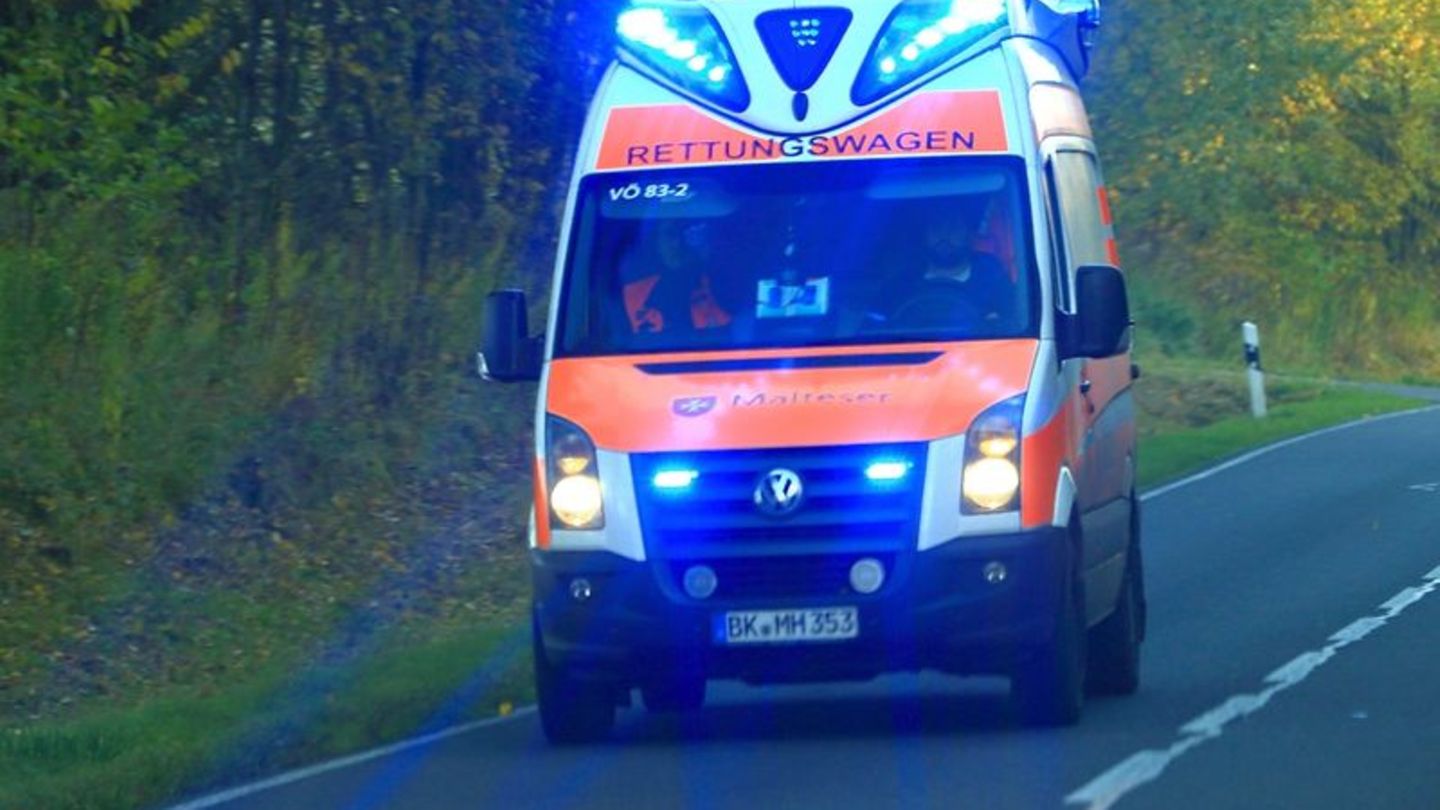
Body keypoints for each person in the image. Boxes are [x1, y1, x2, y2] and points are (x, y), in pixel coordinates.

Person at [620, 219, 732, 335]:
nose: (678, 243)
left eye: (685, 234)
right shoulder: (633, 293)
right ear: (656, 242)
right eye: (670, 234)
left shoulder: (719, 285)